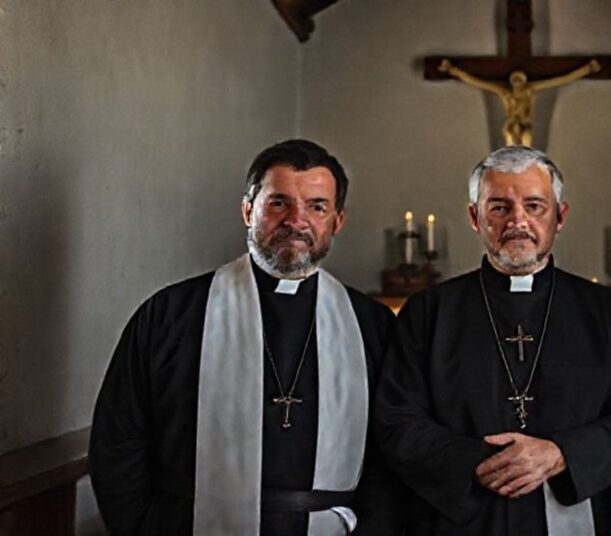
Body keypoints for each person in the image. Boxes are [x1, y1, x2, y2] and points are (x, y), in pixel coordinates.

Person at [90, 140, 403, 535]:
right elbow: (118, 441)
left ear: (337, 221)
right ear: (247, 211)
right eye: (278, 203)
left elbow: (392, 450)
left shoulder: (372, 325)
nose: (296, 221)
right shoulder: (170, 315)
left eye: (317, 207)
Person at [374, 145, 611, 535]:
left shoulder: (610, 313)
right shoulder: (428, 313)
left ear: (560, 216)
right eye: (499, 207)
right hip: (459, 522)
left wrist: (561, 455)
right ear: (475, 217)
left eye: (535, 206)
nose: (517, 221)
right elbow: (396, 419)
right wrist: (478, 462)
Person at [439, 58, 601, 147]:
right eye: (515, 80)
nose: (517, 83)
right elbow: (479, 83)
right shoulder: (505, 94)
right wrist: (455, 71)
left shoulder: (531, 91)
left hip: (525, 123)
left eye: (520, 80)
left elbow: (559, 80)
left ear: (524, 81)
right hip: (511, 124)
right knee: (510, 152)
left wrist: (586, 70)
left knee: (526, 151)